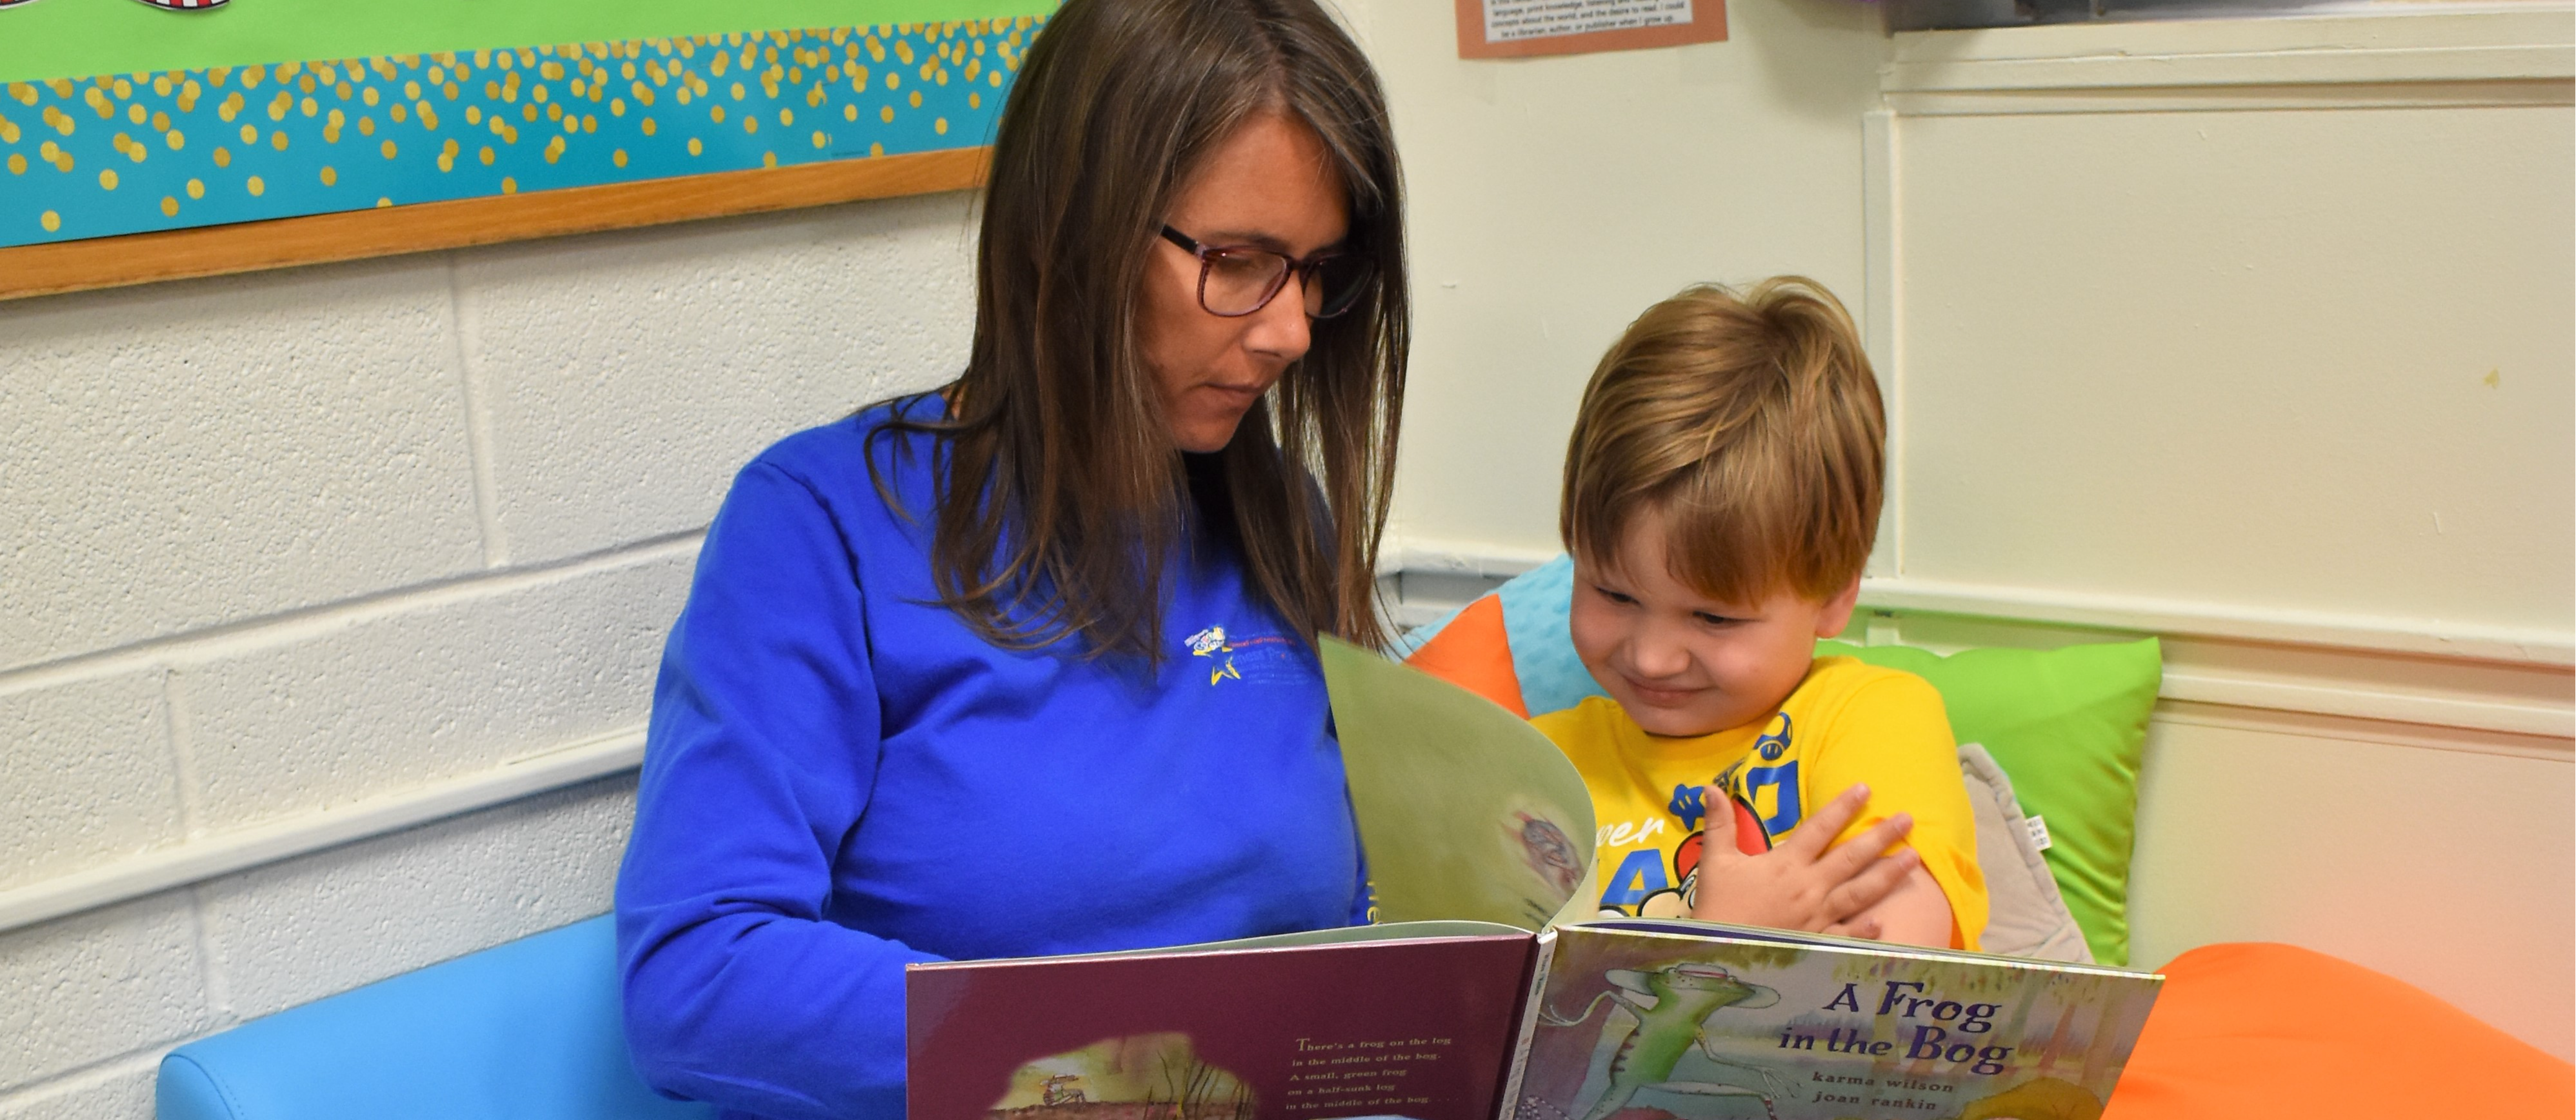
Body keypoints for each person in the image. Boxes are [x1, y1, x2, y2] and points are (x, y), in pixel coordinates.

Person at [611, 2, 1408, 1117]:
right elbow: (699, 975)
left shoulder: (1281, 516)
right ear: (1072, 234)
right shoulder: (821, 525)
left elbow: (1390, 882)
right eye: (1238, 262)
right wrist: (1109, 1067)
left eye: (1319, 271)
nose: (1290, 333)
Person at [1534, 278, 1986, 949]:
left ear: (1834, 594)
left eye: (1714, 618)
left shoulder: (1871, 718)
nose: (1652, 656)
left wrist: (1722, 940)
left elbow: (1898, 971)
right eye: (1615, 594)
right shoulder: (1541, 760)